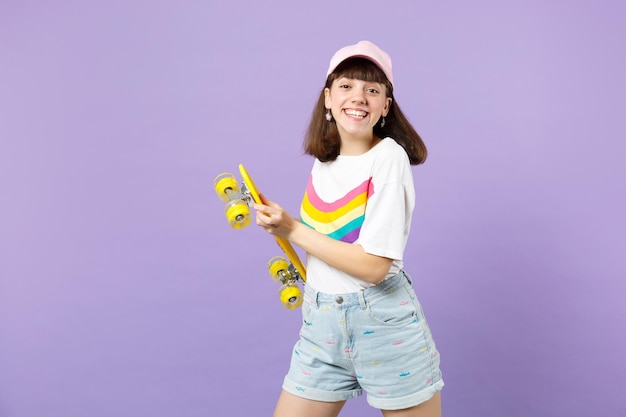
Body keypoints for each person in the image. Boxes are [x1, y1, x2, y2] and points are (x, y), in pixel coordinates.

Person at [253, 40, 444, 417]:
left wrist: (290, 228)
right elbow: (324, 246)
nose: (358, 97)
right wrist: (284, 228)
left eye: (372, 89)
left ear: (385, 106)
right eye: (346, 86)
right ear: (327, 98)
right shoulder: (325, 162)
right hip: (321, 325)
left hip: (382, 324)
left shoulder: (389, 158)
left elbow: (374, 267)